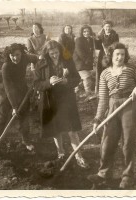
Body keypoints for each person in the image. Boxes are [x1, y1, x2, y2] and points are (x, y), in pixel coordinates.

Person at [87, 42, 136, 189]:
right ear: (111, 56)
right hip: (112, 106)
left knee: (128, 143)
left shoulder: (132, 69)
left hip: (130, 106)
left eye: (122, 54)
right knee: (107, 141)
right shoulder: (105, 73)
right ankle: (103, 174)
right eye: (117, 54)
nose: (120, 57)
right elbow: (103, 99)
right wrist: (97, 119)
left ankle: (128, 176)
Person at [34, 40, 89, 168]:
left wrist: (66, 81)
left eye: (56, 52)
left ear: (60, 51)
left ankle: (78, 155)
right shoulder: (40, 64)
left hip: (66, 100)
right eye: (51, 53)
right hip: (50, 100)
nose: (54, 55)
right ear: (47, 53)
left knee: (71, 130)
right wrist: (48, 82)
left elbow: (77, 79)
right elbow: (36, 84)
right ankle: (61, 154)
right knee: (56, 129)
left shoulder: (68, 62)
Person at [0, 43, 38, 151]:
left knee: (24, 117)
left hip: (22, 90)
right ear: (8, 55)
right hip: (6, 93)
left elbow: (36, 58)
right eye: (12, 55)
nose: (15, 58)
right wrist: (14, 106)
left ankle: (26, 141)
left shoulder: (25, 58)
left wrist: (36, 71)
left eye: (17, 54)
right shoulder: (6, 66)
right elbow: (8, 87)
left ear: (22, 53)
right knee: (2, 116)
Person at [73, 25, 96, 101]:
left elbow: (92, 50)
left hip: (87, 61)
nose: (86, 33)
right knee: (86, 77)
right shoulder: (79, 40)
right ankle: (88, 94)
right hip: (80, 62)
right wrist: (87, 61)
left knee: (83, 78)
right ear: (82, 32)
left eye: (88, 31)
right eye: (84, 32)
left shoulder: (91, 39)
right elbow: (80, 52)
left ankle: (76, 92)